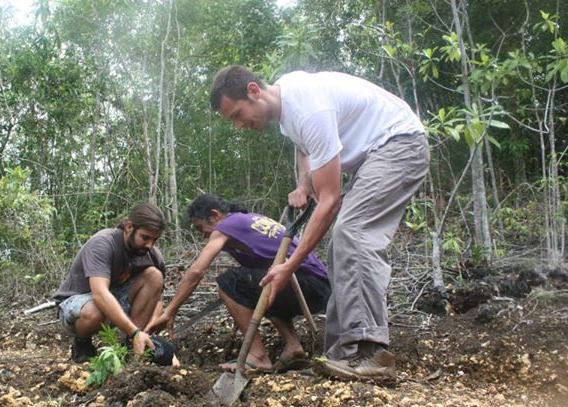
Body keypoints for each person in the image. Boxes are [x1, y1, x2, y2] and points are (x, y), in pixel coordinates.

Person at [210, 66, 429, 380]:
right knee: (341, 247)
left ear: (254, 91)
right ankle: (342, 354)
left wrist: (289, 265)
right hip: (378, 153)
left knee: (353, 233)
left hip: (399, 145)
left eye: (236, 115)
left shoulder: (307, 108)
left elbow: (329, 202)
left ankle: (372, 352)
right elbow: (305, 147)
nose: (239, 126)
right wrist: (303, 183)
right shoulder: (287, 107)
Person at [145, 193, 330, 372]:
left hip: (307, 283)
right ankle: (293, 346)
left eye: (202, 228)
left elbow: (196, 271)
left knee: (229, 282)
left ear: (215, 215)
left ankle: (257, 356)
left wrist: (170, 311)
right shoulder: (248, 220)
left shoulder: (227, 224)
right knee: (258, 285)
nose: (204, 235)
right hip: (318, 286)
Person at [54, 203, 174, 364]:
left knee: (154, 276)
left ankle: (132, 347)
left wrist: (149, 331)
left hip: (114, 299)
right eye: (145, 237)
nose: (150, 245)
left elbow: (158, 299)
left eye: (155, 240)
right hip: (77, 305)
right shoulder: (103, 243)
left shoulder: (151, 254)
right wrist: (135, 332)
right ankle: (82, 344)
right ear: (129, 227)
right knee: (96, 309)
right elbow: (100, 294)